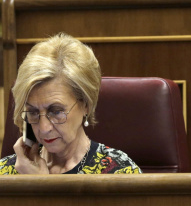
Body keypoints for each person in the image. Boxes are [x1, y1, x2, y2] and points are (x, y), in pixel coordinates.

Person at [0, 33, 142, 174]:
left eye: (56, 111)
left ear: (86, 104)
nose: (44, 128)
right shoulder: (8, 172)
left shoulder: (120, 172)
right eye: (33, 112)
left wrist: (40, 186)